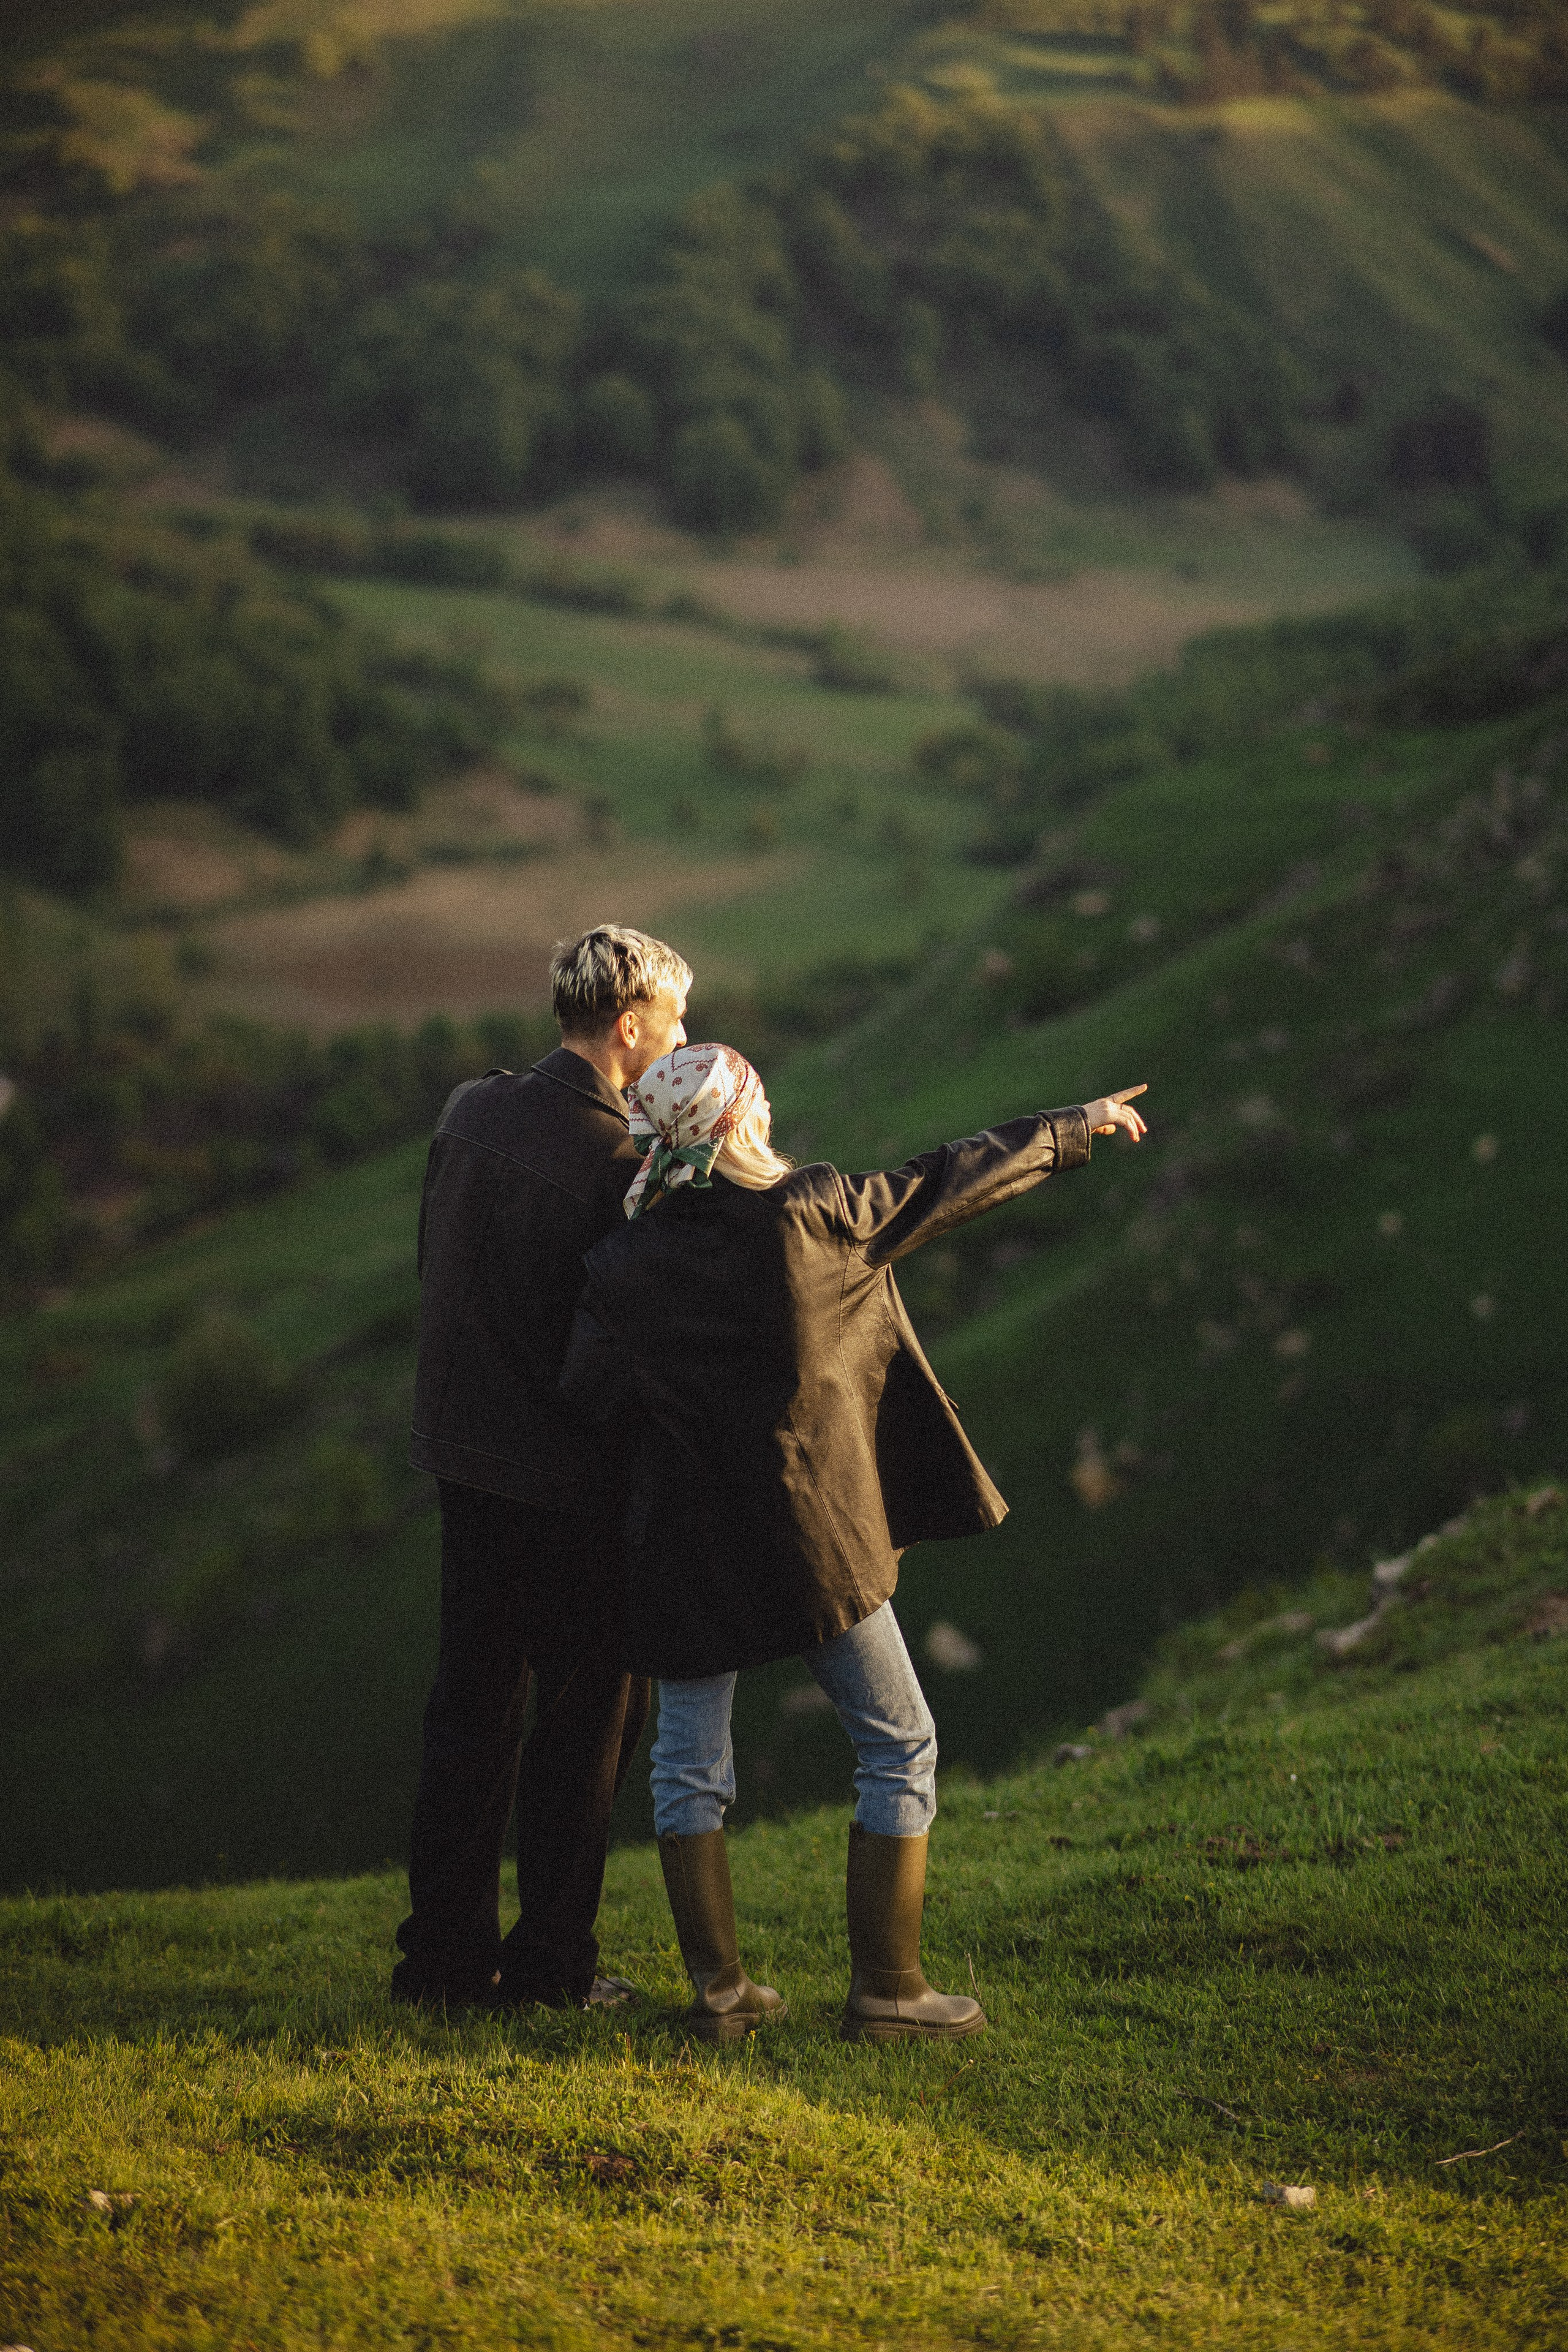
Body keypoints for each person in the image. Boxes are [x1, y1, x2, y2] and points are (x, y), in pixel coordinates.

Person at [560, 1042, 1147, 2043]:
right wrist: (1072, 1126)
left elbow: (590, 1402)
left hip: (680, 1545)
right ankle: (888, 1990)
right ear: (742, 1124)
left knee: (687, 1767)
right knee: (898, 1740)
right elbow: (944, 1181)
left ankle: (721, 1998)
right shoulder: (808, 1214)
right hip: (809, 1536)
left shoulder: (618, 1264)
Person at [393, 924, 692, 2010]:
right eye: (675, 1024)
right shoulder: (623, 1169)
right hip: (566, 1489)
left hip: (462, 1462)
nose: (683, 1040)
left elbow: (441, 1266)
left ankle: (440, 1963)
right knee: (587, 1726)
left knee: (469, 1715)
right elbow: (614, 1356)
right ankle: (552, 1968)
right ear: (629, 1029)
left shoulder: (470, 1112)